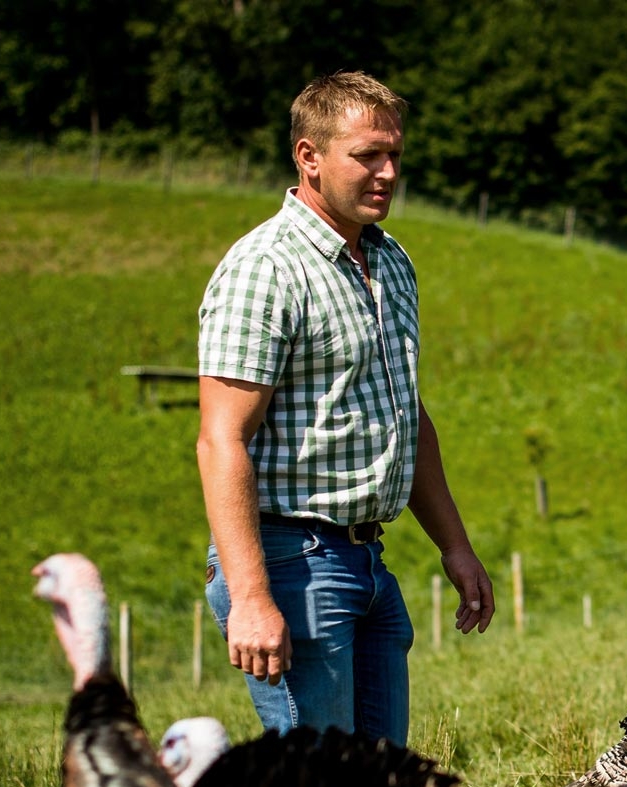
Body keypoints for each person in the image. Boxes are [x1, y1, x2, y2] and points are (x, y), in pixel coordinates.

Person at [196, 71, 493, 742]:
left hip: (367, 561)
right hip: (292, 561)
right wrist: (250, 596)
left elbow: (403, 414)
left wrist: (455, 546)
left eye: (395, 155)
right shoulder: (266, 268)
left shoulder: (391, 262)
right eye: (367, 156)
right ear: (309, 157)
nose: (387, 172)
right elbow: (221, 441)